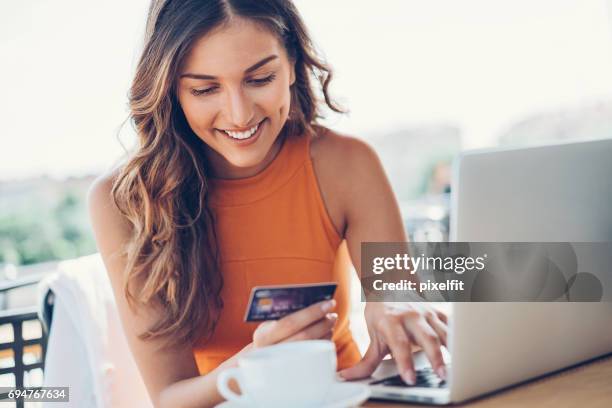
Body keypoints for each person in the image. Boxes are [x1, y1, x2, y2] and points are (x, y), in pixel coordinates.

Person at [88, 1, 449, 407]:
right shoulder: (124, 202)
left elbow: (398, 291)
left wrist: (393, 308)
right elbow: (170, 397)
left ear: (292, 64)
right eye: (205, 89)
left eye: (260, 79)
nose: (239, 115)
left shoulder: (345, 164)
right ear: (170, 88)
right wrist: (258, 365)